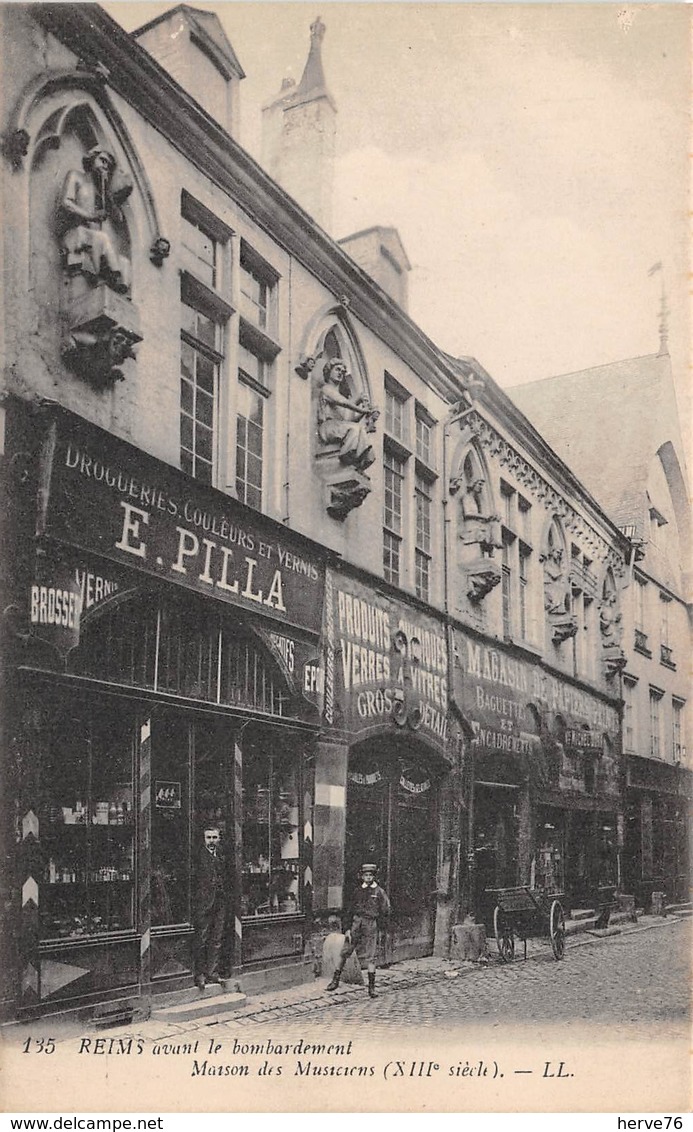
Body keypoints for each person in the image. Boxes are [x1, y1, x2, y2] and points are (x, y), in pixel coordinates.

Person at [58, 147, 132, 293]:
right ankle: (113, 275)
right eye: (102, 160)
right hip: (75, 234)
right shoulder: (76, 176)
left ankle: (119, 288)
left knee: (124, 261)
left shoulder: (101, 193)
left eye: (109, 166)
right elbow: (66, 203)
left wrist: (110, 199)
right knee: (102, 238)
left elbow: (118, 218)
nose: (105, 166)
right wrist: (90, 216)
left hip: (91, 239)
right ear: (92, 159)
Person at [326, 862, 391, 999]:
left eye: (370, 875)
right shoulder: (357, 891)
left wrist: (379, 927)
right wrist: (347, 929)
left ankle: (371, 988)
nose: (368, 878)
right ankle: (335, 980)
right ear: (362, 876)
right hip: (356, 922)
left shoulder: (379, 892)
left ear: (374, 877)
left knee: (371, 955)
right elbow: (348, 911)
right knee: (345, 951)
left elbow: (386, 910)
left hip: (371, 923)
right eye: (365, 875)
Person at [317, 359, 378, 472]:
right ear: (329, 371)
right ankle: (347, 456)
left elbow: (348, 420)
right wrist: (361, 408)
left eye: (343, 371)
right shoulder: (327, 389)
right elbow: (343, 402)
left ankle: (361, 462)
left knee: (359, 430)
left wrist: (363, 412)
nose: (341, 373)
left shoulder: (338, 394)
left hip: (338, 426)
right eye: (337, 369)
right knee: (355, 429)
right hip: (327, 427)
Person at [193, 825, 228, 990]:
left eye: (214, 837)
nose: (212, 841)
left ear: (219, 839)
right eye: (209, 838)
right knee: (202, 939)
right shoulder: (199, 857)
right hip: (204, 904)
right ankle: (200, 975)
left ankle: (212, 973)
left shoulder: (222, 856)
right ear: (204, 839)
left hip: (220, 903)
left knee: (216, 939)